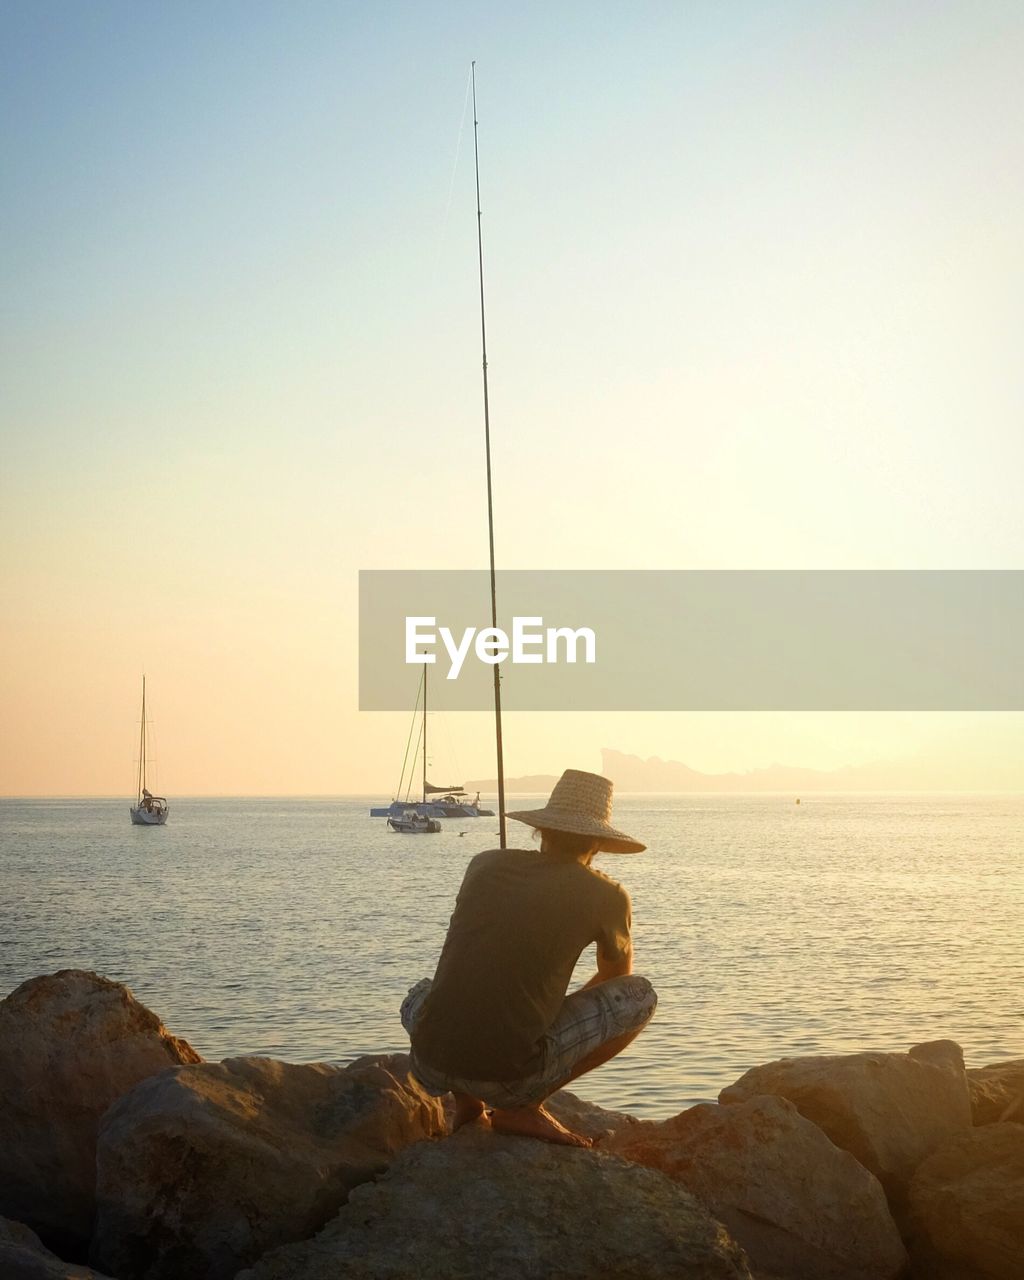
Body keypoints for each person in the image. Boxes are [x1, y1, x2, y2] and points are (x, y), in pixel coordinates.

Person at [401, 769, 657, 1147]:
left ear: (542, 830)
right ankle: (524, 1106)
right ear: (599, 842)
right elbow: (618, 980)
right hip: (507, 1077)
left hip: (428, 1061)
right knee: (640, 995)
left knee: (420, 993)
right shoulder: (608, 895)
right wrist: (547, 1015)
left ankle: (467, 1104)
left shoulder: (484, 863)